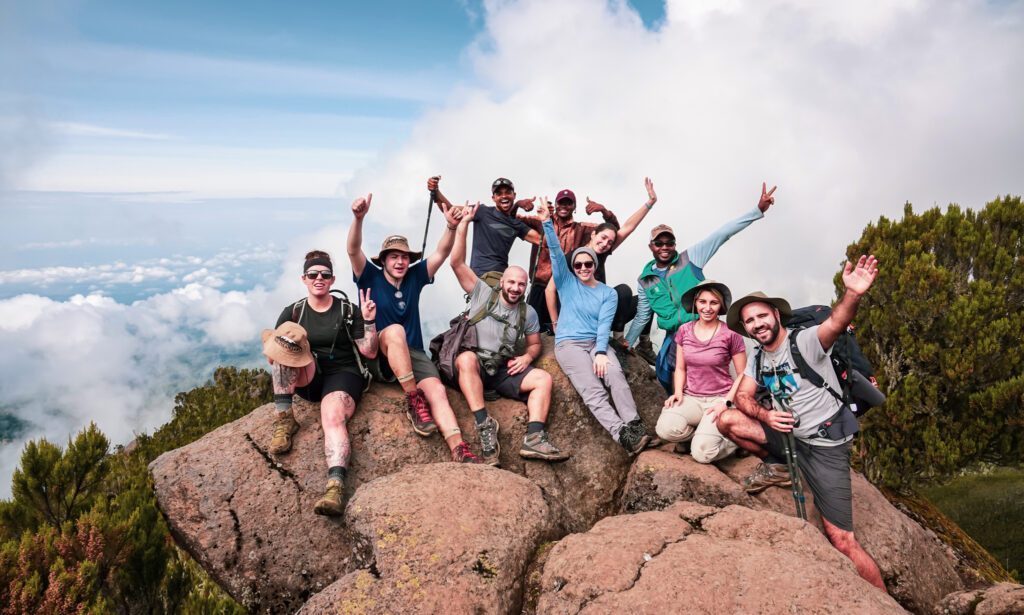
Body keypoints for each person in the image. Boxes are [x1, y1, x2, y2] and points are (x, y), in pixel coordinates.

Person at [715, 255, 885, 589]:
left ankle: (884, 602)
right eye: (750, 321)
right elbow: (743, 397)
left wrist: (853, 295)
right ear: (746, 328)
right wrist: (767, 415)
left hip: (824, 446)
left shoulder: (805, 341)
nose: (757, 324)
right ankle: (780, 464)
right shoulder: (759, 357)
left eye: (762, 315)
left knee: (841, 539)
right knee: (728, 421)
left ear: (776, 315)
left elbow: (836, 322)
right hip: (790, 437)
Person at [347, 192, 480, 463]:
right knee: (395, 330)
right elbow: (352, 250)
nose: (400, 262)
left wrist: (452, 226)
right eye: (394, 257)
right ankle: (413, 400)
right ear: (382, 260)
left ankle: (458, 448)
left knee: (438, 391)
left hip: (413, 353)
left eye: (404, 257)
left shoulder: (414, 276)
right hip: (379, 352)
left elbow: (442, 253)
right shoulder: (369, 276)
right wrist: (358, 219)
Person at [446, 204, 570, 465]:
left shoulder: (529, 313)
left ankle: (534, 438)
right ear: (502, 282)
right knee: (466, 359)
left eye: (521, 284)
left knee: (543, 380)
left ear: (525, 287)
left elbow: (535, 343)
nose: (515, 288)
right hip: (475, 367)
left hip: (501, 369)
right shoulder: (482, 294)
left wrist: (527, 357)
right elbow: (455, 262)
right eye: (511, 282)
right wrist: (464, 224)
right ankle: (484, 426)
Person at [624, 183, 777, 390]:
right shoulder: (645, 279)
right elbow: (643, 314)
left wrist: (758, 209)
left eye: (669, 242)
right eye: (659, 243)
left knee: (710, 370)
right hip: (674, 334)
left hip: (701, 325)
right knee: (665, 373)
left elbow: (722, 234)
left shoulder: (690, 259)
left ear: (675, 244)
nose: (665, 247)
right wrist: (628, 340)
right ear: (651, 246)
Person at [263, 250, 379, 516]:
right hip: (309, 375)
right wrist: (289, 349)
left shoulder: (347, 310)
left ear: (332, 279)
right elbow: (273, 356)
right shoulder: (294, 311)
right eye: (313, 274)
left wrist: (369, 321)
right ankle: (285, 422)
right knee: (283, 358)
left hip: (344, 373)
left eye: (325, 275)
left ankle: (335, 487)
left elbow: (369, 352)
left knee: (333, 416)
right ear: (304, 278)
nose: (319, 278)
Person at [538, 197, 650, 454]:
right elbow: (555, 253)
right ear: (573, 267)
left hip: (593, 342)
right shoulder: (566, 283)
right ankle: (622, 435)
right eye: (578, 264)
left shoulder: (607, 293)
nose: (583, 267)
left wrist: (601, 351)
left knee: (615, 376)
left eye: (588, 264)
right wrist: (546, 221)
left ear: (595, 265)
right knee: (592, 389)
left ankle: (635, 425)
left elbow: (603, 325)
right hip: (569, 345)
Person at [534, 178, 658, 340]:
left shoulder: (603, 251)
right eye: (603, 238)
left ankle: (622, 337)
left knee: (633, 295)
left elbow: (628, 227)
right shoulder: (575, 257)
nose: (605, 243)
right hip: (579, 317)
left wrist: (650, 202)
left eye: (610, 242)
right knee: (621, 292)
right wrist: (556, 323)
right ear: (593, 234)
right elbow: (550, 289)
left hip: (600, 314)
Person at [658, 280, 745, 463]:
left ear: (720, 306)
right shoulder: (684, 330)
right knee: (665, 429)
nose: (707, 308)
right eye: (703, 302)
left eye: (713, 302)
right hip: (692, 398)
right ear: (695, 303)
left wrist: (726, 402)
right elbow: (681, 368)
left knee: (702, 454)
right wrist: (678, 393)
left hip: (719, 399)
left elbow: (743, 374)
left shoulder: (731, 334)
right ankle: (699, 434)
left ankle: (736, 440)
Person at [427, 176, 541, 285]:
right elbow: (450, 210)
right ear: (493, 198)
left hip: (499, 278)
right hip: (476, 278)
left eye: (508, 192)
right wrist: (436, 192)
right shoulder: (482, 211)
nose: (504, 196)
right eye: (499, 194)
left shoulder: (517, 224)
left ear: (514, 195)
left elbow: (541, 241)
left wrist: (544, 218)